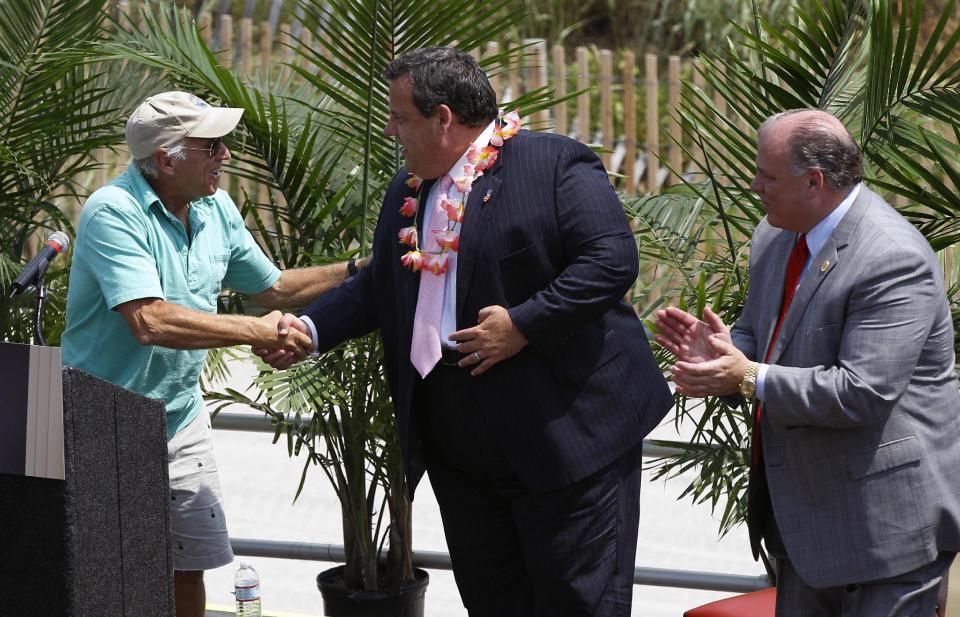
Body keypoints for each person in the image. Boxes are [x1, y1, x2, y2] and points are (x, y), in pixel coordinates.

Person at [260, 47, 672, 616]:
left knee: (578, 603)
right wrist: (308, 328)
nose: (390, 129)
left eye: (400, 117)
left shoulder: (552, 164)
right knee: (493, 600)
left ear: (444, 118)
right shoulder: (410, 190)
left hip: (563, 438)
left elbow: (609, 260)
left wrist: (524, 324)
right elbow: (385, 281)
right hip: (461, 446)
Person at [60, 91, 360, 617]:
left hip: (180, 417)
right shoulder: (113, 211)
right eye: (212, 145)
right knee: (109, 579)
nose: (226, 155)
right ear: (164, 159)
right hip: (103, 421)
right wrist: (256, 332)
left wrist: (361, 270)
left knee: (188, 567)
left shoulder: (215, 206)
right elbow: (149, 320)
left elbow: (274, 291)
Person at [655, 109, 960, 616]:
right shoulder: (776, 235)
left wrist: (747, 375)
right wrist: (725, 356)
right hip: (803, 526)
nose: (754, 186)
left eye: (767, 176)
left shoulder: (891, 257)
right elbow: (761, 337)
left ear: (814, 182)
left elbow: (861, 391)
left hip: (882, 536)